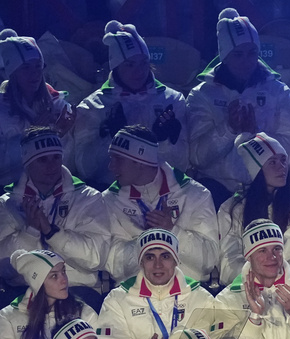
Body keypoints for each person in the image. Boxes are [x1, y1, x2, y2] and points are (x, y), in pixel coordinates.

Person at [185, 8, 290, 206]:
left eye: (252, 53)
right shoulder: (202, 95)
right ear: (224, 55)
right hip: (219, 186)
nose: (246, 61)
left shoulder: (278, 91)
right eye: (238, 54)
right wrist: (228, 128)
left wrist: (257, 135)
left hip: (267, 185)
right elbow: (197, 158)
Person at [96, 229, 218, 339]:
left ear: (176, 260)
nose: (158, 265)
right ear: (141, 262)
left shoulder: (199, 297)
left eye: (165, 256)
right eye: (150, 257)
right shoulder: (117, 299)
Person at [0, 127, 108, 312]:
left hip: (76, 289)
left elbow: (96, 258)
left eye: (56, 157)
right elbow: (3, 267)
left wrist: (52, 233)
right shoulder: (6, 204)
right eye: (42, 159)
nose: (52, 166)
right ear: (27, 162)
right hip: (24, 292)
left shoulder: (88, 198)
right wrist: (30, 232)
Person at [72, 21, 188, 189]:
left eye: (143, 63)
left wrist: (163, 142)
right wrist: (112, 140)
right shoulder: (93, 105)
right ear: (116, 66)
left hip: (160, 193)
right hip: (112, 194)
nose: (139, 71)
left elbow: (182, 166)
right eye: (130, 64)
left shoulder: (172, 100)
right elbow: (85, 169)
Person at [102, 125, 219, 284]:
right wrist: (149, 238)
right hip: (134, 294)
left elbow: (209, 261)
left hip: (188, 292)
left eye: (118, 159)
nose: (111, 166)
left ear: (140, 161)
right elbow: (113, 266)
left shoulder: (195, 194)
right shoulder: (109, 200)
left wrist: (173, 231)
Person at [218, 133, 290, 287]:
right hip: (247, 289)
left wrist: (276, 279)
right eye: (272, 162)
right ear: (255, 170)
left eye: (283, 160)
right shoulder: (232, 209)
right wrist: (257, 280)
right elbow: (228, 260)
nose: (281, 167)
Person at [0, 29, 74, 188]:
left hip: (55, 189)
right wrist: (32, 136)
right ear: (12, 72)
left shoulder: (57, 104)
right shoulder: (2, 110)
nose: (34, 73)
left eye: (37, 66)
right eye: (26, 68)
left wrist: (60, 135)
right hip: (9, 191)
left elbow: (71, 161)